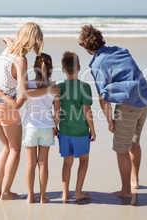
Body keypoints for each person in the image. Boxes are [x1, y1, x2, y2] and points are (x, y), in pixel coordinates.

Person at [0, 22, 60, 200]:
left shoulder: (9, 49)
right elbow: (22, 96)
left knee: (6, 147)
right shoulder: (21, 60)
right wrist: (2, 94)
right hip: (3, 105)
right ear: (35, 41)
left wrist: (7, 39)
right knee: (15, 149)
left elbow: (9, 42)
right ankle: (6, 192)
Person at [78, 25, 147, 198]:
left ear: (87, 48)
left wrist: (110, 121)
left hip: (129, 105)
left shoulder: (97, 64)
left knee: (121, 148)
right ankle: (135, 180)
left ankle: (126, 191)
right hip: (145, 98)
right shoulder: (119, 50)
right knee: (134, 141)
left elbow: (103, 96)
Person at [54, 51, 96, 201]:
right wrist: (93, 129)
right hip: (81, 131)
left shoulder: (59, 88)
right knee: (83, 160)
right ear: (79, 67)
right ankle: (78, 192)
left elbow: (57, 111)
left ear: (63, 70)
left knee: (67, 162)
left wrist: (54, 127)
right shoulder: (85, 87)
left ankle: (65, 194)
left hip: (64, 131)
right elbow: (87, 111)